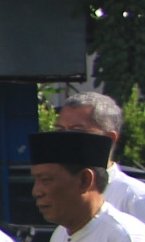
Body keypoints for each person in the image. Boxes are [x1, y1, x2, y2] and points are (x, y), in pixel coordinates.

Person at [54, 90, 145, 218]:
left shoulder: (135, 198)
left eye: (77, 131)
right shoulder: (58, 192)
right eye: (60, 130)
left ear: (109, 138)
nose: (65, 139)